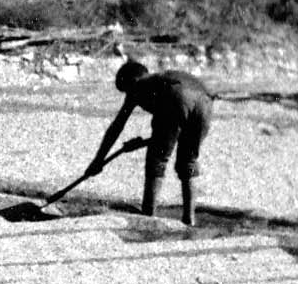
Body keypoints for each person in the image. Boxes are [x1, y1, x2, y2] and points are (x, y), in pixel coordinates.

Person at [84, 57, 213, 226]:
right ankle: (190, 219)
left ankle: (147, 217)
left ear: (133, 81)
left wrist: (98, 160)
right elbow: (172, 131)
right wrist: (142, 143)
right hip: (205, 101)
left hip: (175, 95)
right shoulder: (159, 79)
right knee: (188, 161)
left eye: (127, 90)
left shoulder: (138, 86)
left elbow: (117, 126)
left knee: (156, 161)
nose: (129, 96)